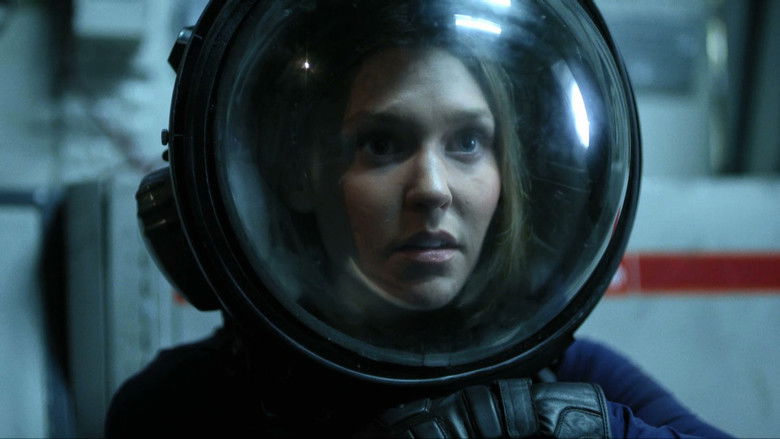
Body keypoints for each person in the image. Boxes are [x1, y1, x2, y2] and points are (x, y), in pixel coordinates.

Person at [109, 0, 732, 437]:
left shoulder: (571, 378)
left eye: (467, 143)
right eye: (382, 144)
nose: (432, 190)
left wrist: (584, 430)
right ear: (304, 177)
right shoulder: (178, 407)